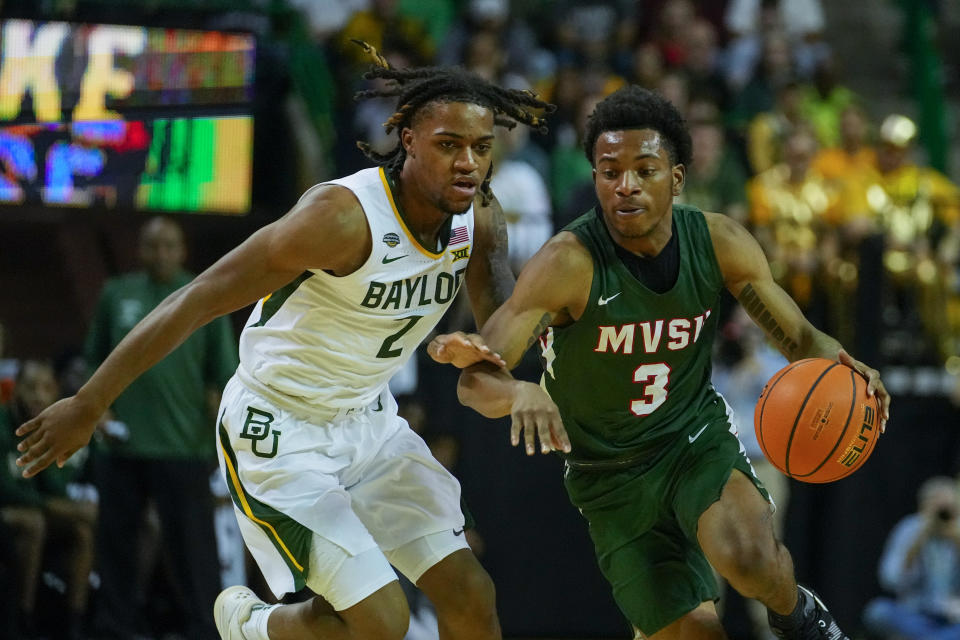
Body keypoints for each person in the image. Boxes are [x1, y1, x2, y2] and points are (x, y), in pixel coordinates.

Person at [16, 46, 555, 640]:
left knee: (473, 597)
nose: (468, 164)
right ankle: (256, 627)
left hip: (369, 421)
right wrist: (89, 403)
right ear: (406, 136)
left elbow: (503, 335)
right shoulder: (341, 218)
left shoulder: (479, 217)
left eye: (481, 148)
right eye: (450, 144)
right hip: (280, 427)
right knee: (384, 622)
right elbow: (194, 299)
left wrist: (499, 364)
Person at [445, 86, 891, 640]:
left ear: (676, 178)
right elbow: (475, 380)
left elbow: (799, 335)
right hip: (609, 478)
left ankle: (800, 616)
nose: (624, 186)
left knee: (749, 558)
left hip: (691, 440)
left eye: (644, 170)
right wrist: (518, 393)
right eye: (609, 172)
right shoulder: (567, 262)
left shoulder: (719, 239)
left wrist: (847, 366)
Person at [82, 215, 239, 639]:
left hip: (184, 445)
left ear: (182, 251)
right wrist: (99, 412)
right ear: (140, 250)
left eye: (169, 246)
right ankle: (115, 627)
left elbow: (222, 376)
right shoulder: (117, 293)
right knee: (117, 544)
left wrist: (220, 432)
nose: (161, 254)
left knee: (193, 548)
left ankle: (207, 628)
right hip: (122, 445)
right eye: (153, 245)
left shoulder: (206, 294)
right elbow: (92, 359)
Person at [0, 360, 96, 640]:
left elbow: (55, 485)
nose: (38, 396)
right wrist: (46, 503)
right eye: (31, 388)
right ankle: (21, 621)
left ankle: (73, 624)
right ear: (15, 390)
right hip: (10, 511)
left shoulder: (51, 426)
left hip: (36, 509)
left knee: (81, 532)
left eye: (46, 388)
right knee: (34, 524)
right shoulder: (3, 423)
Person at [863, 475, 960, 639]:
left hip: (955, 617)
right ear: (923, 506)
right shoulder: (909, 529)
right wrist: (917, 542)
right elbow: (890, 579)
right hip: (914, 614)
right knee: (878, 611)